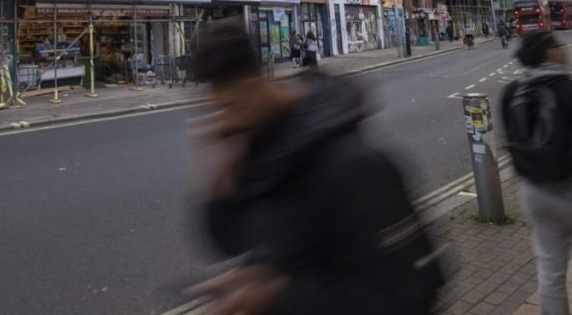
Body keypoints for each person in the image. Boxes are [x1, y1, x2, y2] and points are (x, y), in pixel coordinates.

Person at [188, 19, 443, 314]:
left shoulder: (351, 163)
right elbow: (234, 241)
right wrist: (220, 178)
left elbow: (410, 291)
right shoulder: (258, 145)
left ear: (253, 87)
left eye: (230, 106)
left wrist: (278, 295)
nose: (224, 121)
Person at [500, 31, 572, 315]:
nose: (564, 50)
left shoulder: (511, 93)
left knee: (550, 270)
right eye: (559, 45)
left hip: (534, 194)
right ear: (551, 53)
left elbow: (510, 144)